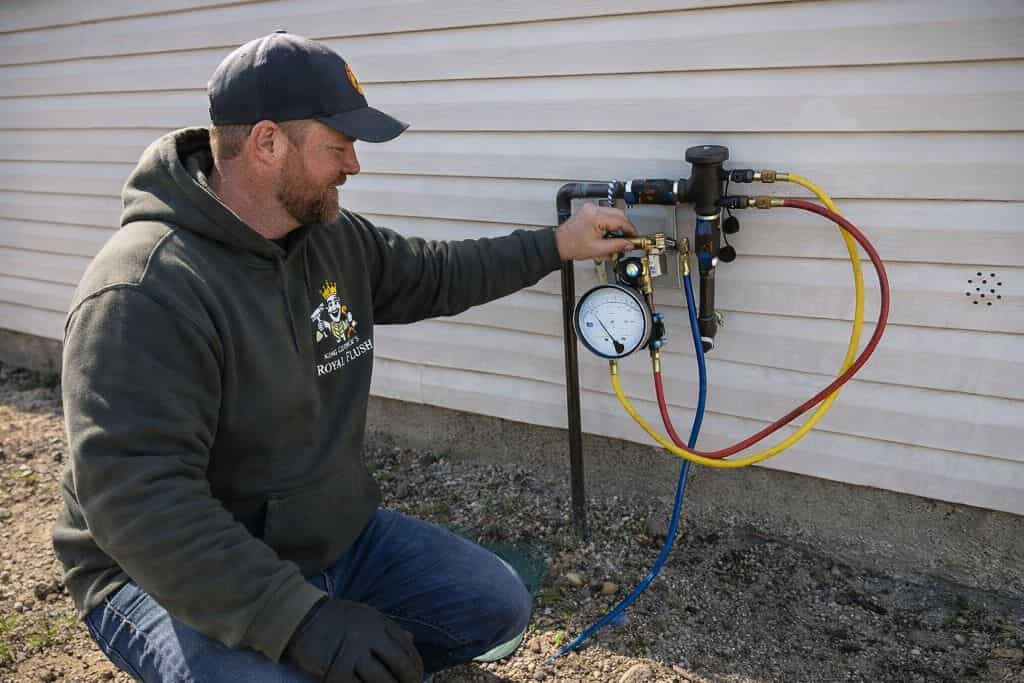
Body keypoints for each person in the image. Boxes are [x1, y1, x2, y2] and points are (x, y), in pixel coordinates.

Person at [52, 31, 636, 682]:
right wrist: (302, 620)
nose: (354, 165)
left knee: (495, 602)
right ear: (268, 143)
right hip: (157, 571)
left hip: (319, 536)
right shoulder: (143, 291)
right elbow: (142, 508)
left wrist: (558, 243)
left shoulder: (330, 239)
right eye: (340, 145)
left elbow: (438, 273)